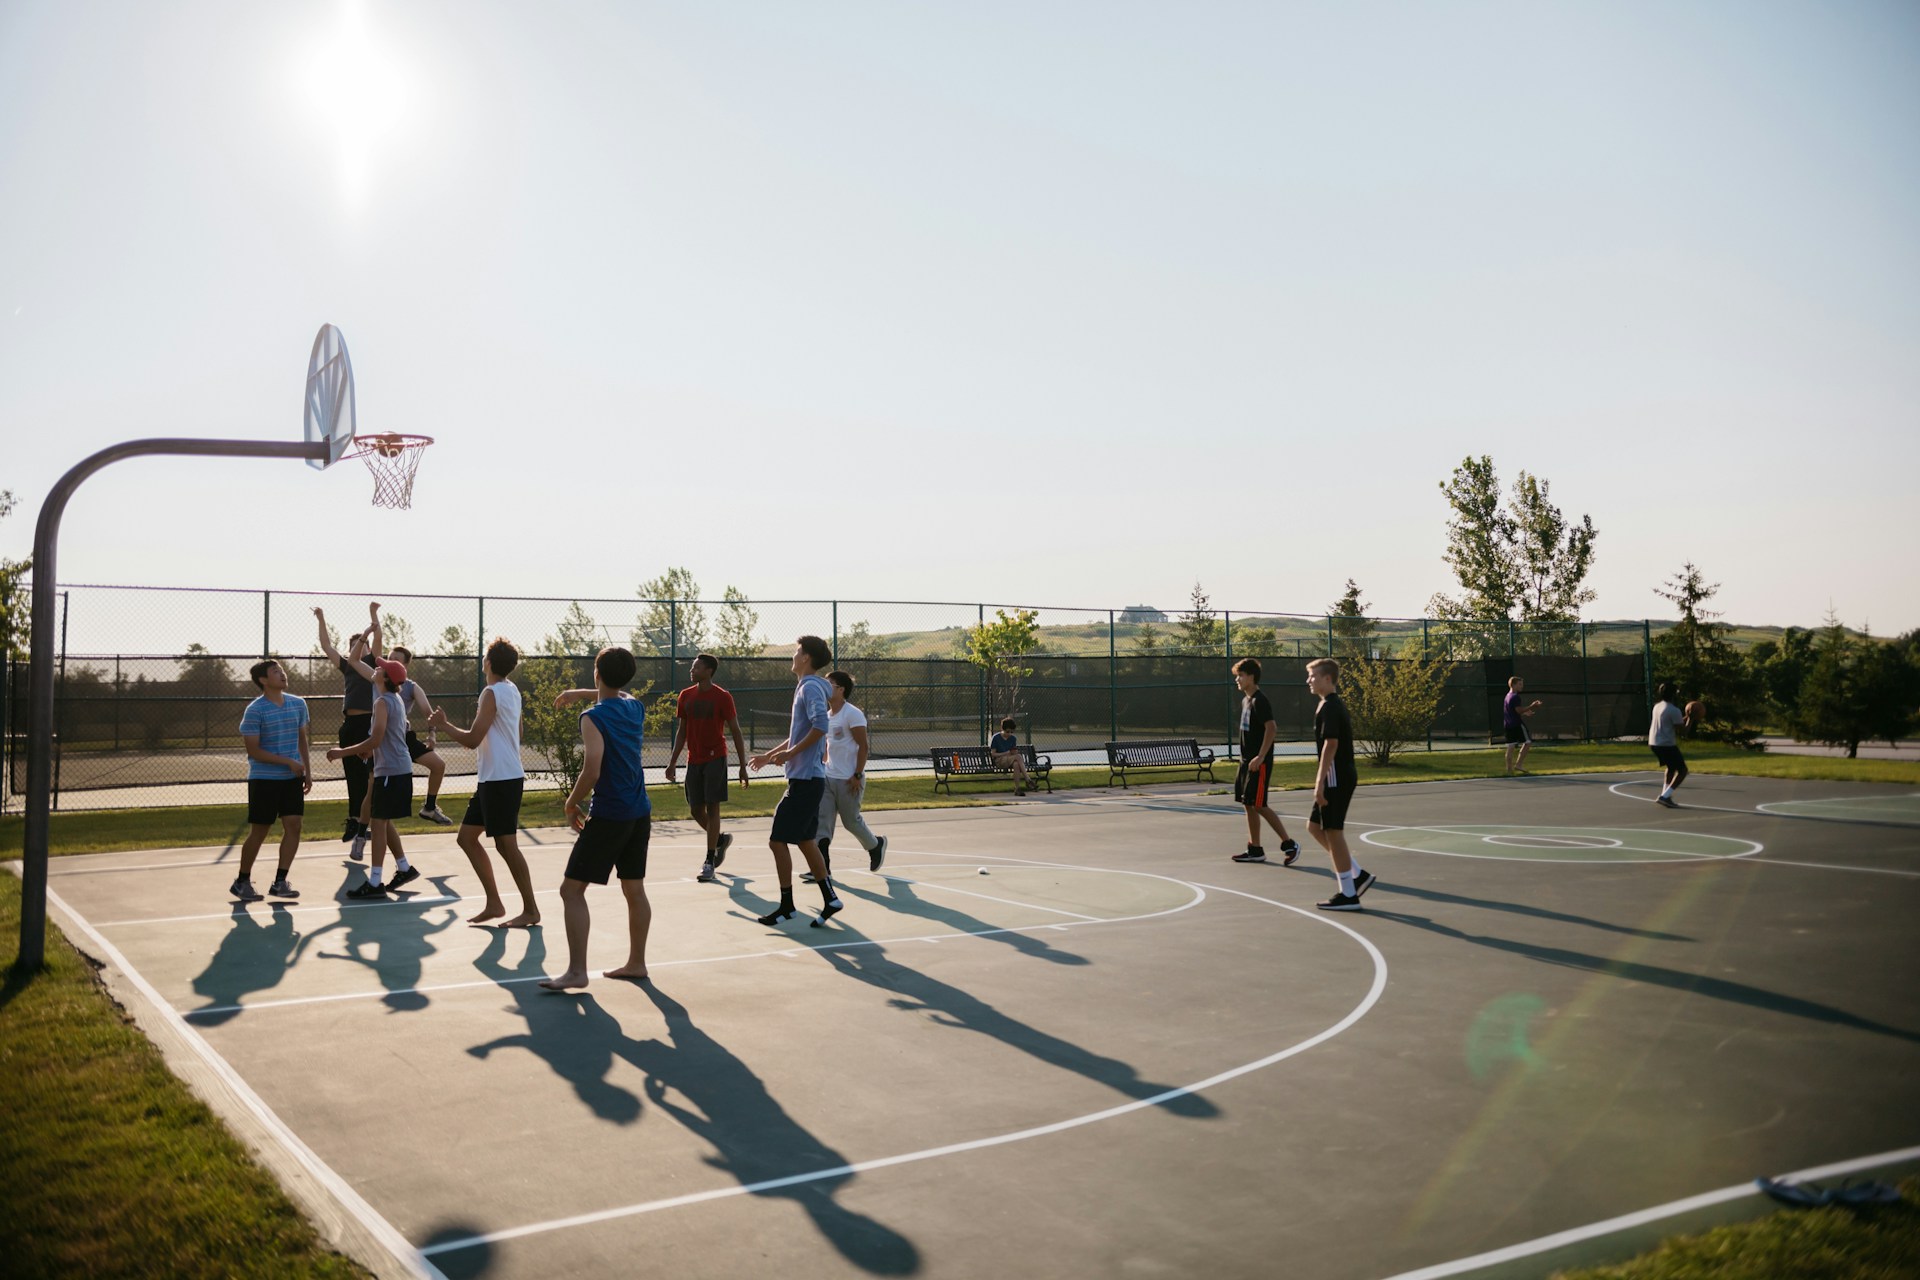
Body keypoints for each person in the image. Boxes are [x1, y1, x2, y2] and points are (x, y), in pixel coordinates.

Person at [540, 646, 654, 990]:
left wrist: (571, 803)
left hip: (611, 813)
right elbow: (619, 692)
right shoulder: (634, 707)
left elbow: (592, 769)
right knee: (634, 888)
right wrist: (582, 692)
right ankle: (637, 963)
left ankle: (577, 971)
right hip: (639, 811)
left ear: (596, 672)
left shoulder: (593, 717)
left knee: (571, 890)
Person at [429, 637, 538, 926]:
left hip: (501, 780)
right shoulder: (512, 690)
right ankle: (494, 903)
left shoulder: (491, 693)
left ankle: (531, 910)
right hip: (495, 778)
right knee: (466, 837)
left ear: (488, 662)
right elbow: (519, 732)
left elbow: (472, 740)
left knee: (507, 846)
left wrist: (443, 725)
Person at [746, 635, 841, 928]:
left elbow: (820, 726)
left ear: (806, 658)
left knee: (777, 841)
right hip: (809, 780)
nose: (794, 655)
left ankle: (787, 905)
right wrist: (771, 755)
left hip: (806, 781)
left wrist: (790, 754)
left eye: (798, 651)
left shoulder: (810, 686)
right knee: (804, 840)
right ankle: (830, 898)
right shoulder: (807, 686)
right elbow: (800, 732)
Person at [327, 657, 423, 899]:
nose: (376, 668)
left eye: (381, 668)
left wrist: (342, 752)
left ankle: (375, 882)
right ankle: (404, 868)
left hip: (391, 770)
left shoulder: (382, 701)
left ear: (386, 678)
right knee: (383, 821)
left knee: (378, 825)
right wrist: (370, 749)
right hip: (393, 769)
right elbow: (385, 736)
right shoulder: (394, 700)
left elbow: (377, 739)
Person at [663, 653, 749, 885]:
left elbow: (736, 730)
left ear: (709, 670)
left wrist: (742, 765)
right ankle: (720, 840)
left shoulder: (723, 697)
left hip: (716, 758)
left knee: (713, 809)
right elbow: (682, 731)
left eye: (696, 667)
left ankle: (709, 861)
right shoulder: (685, 696)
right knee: (695, 810)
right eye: (692, 667)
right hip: (694, 760)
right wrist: (672, 762)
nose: (692, 671)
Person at [233, 658, 311, 902]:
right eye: (275, 672)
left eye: (282, 670)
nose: (282, 674)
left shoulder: (298, 704)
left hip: (292, 779)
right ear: (263, 680)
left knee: (294, 825)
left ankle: (280, 882)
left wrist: (306, 770)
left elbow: (302, 741)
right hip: (264, 779)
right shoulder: (255, 710)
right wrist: (287, 762)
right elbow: (254, 751)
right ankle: (242, 881)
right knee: (260, 831)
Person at [1305, 658, 1376, 912]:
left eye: (1312, 676)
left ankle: (1348, 893)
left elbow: (1331, 745)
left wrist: (1319, 782)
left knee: (1333, 831)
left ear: (1327, 678)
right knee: (1314, 827)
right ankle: (1356, 874)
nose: (1308, 681)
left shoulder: (1331, 707)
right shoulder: (1326, 705)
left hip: (1336, 777)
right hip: (1335, 776)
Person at [313, 602, 382, 856]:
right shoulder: (347, 666)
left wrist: (373, 616)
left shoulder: (374, 664)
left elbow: (378, 638)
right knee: (353, 776)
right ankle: (354, 820)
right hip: (350, 726)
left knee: (370, 778)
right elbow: (326, 646)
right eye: (353, 644)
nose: (358, 646)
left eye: (361, 644)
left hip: (369, 726)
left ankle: (368, 822)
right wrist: (321, 618)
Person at [816, 670, 888, 879]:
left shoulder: (852, 714)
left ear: (841, 689)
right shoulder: (826, 715)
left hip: (849, 779)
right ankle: (822, 869)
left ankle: (875, 845)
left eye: (830, 685)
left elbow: (863, 746)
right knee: (822, 823)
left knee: (851, 822)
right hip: (828, 778)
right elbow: (830, 744)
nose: (826, 689)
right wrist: (824, 764)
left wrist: (857, 774)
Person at [1229, 658, 1301, 865]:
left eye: (1241, 675)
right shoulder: (1246, 700)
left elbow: (1272, 727)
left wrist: (1260, 757)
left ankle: (1289, 844)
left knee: (1259, 805)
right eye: (1237, 676)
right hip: (1246, 762)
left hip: (1258, 763)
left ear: (1251, 677)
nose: (1237, 679)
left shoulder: (1260, 700)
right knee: (1248, 804)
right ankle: (1255, 849)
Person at [385, 645, 454, 825]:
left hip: (402, 738)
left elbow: (429, 714)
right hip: (381, 738)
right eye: (389, 658)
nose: (391, 662)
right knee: (373, 783)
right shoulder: (377, 680)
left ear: (406, 666)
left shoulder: (411, 687)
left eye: (396, 660)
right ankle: (363, 823)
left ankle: (429, 808)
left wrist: (432, 736)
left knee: (438, 765)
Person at [1648, 681, 1695, 808]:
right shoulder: (1673, 710)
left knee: (1671, 768)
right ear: (1673, 695)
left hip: (1654, 742)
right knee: (1683, 771)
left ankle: (1665, 795)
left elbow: (1673, 722)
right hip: (1666, 744)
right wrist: (1691, 718)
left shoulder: (1657, 706)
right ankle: (1665, 796)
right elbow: (1684, 731)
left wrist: (1685, 716)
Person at [1502, 676, 1543, 776]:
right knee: (1528, 742)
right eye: (1520, 684)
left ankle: (1509, 770)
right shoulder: (1515, 697)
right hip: (1516, 724)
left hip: (1508, 725)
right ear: (1514, 684)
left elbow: (1513, 711)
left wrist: (1524, 713)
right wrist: (1532, 705)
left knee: (1510, 746)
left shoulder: (1508, 695)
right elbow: (1519, 710)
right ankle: (1519, 764)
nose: (1522, 686)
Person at [987, 717, 1030, 795]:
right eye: (1007, 731)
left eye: (1011, 732)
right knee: (1018, 757)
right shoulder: (996, 738)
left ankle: (1017, 789)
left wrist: (1013, 752)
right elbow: (993, 754)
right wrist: (1006, 753)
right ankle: (1027, 778)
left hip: (1010, 759)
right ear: (1002, 729)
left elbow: (1013, 751)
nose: (1009, 734)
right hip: (999, 760)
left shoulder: (1013, 739)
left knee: (1016, 764)